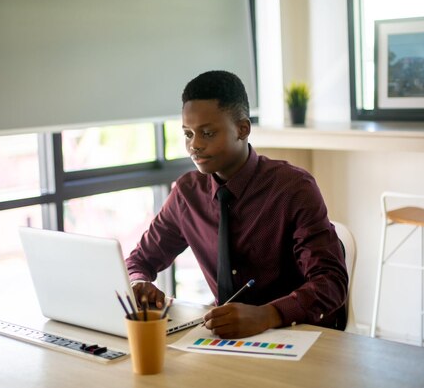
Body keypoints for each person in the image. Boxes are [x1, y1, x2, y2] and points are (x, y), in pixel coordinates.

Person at [125, 70, 348, 339]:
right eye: (188, 134)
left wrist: (268, 314)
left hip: (298, 334)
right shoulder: (187, 193)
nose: (194, 145)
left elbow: (331, 283)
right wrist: (139, 283)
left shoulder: (293, 188)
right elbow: (139, 260)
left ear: (242, 129)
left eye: (207, 133)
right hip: (229, 338)